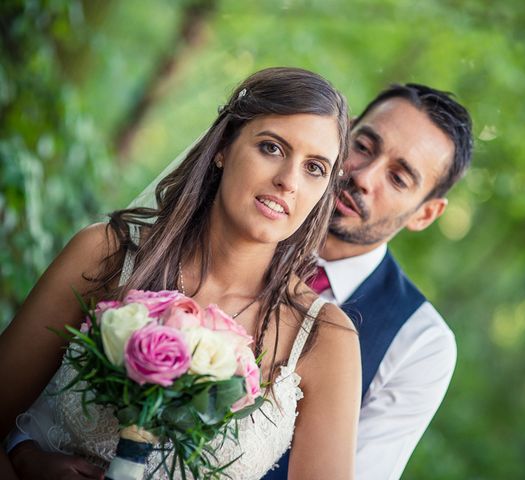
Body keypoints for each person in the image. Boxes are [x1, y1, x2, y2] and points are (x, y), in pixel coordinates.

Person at [0, 67, 362, 480]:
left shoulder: (327, 339)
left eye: (314, 168)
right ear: (224, 146)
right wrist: (22, 462)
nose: (288, 181)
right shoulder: (105, 254)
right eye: (272, 148)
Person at [262, 83, 474, 480]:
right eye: (364, 147)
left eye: (398, 178)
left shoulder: (421, 342)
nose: (363, 177)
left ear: (425, 214)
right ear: (347, 131)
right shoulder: (247, 220)